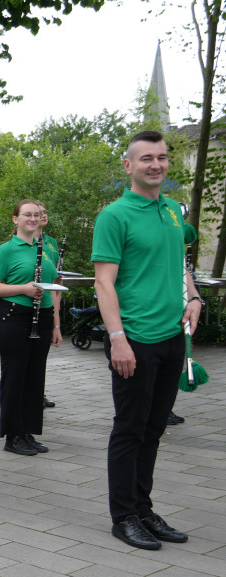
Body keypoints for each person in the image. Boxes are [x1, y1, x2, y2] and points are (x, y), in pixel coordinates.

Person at [93, 130, 199, 551]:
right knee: (130, 429)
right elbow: (104, 283)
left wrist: (192, 296)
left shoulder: (174, 211)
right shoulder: (114, 216)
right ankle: (124, 517)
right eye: (146, 159)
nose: (156, 165)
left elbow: (179, 264)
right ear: (128, 166)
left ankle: (143, 507)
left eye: (161, 157)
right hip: (134, 338)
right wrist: (117, 339)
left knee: (154, 429)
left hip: (173, 337)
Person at [0, 200, 60, 456]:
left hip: (43, 315)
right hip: (15, 316)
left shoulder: (46, 248)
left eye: (37, 214)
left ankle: (27, 432)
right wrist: (24, 289)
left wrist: (57, 323)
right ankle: (13, 435)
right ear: (15, 219)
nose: (33, 218)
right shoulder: (6, 250)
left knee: (35, 376)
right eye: (27, 214)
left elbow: (52, 284)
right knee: (15, 375)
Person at [36, 201, 59, 409]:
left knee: (41, 358)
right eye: (39, 213)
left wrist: (57, 322)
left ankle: (39, 392)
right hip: (27, 307)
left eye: (45, 212)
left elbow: (56, 281)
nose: (43, 216)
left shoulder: (51, 242)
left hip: (47, 304)